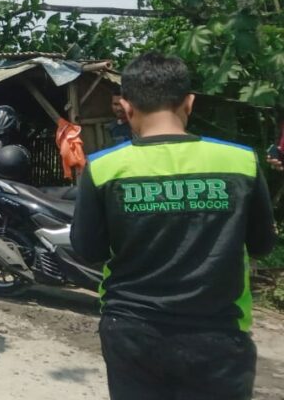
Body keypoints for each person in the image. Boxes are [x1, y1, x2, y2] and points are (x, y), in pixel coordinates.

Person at [72, 52, 276, 400]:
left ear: (126, 106)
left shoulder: (104, 167)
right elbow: (261, 245)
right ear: (190, 103)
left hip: (132, 332)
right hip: (219, 332)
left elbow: (87, 250)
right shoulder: (240, 161)